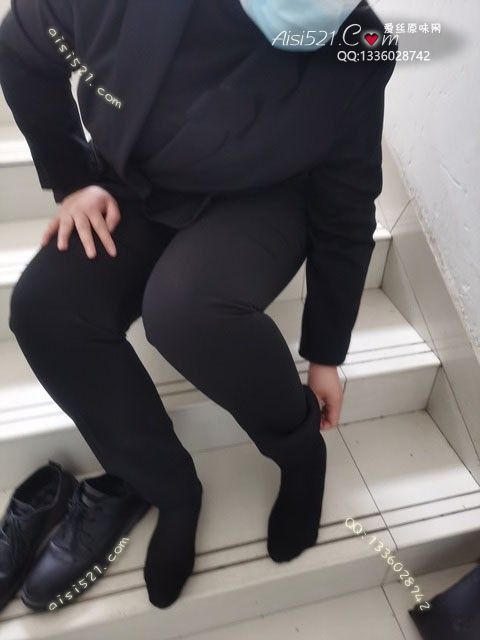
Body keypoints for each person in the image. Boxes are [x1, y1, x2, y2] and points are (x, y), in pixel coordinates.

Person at [0, 0, 397, 609]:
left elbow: (346, 209)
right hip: (140, 182)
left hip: (264, 199)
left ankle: (300, 454)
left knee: (186, 311)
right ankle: (169, 490)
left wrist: (325, 355)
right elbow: (22, 48)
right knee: (44, 309)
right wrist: (73, 180)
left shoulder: (355, 45)